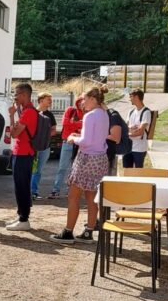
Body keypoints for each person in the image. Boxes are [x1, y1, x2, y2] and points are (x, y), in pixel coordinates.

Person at [50, 87, 109, 244]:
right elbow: (96, 138)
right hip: (100, 159)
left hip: (87, 159)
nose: (82, 103)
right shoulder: (104, 113)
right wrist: (79, 136)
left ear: (92, 98)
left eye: (84, 99)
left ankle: (68, 232)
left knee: (73, 196)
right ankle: (89, 232)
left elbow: (86, 142)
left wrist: (73, 139)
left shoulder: (90, 115)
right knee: (91, 197)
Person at [6, 83, 38, 230]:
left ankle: (24, 219)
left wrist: (12, 116)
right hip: (22, 152)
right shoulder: (26, 111)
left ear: (25, 95)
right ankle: (21, 216)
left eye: (17, 93)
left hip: (24, 153)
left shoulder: (29, 112)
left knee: (22, 187)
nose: (15, 96)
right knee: (20, 186)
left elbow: (13, 133)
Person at [50, 96, 83, 198]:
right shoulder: (70, 110)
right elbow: (65, 123)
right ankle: (56, 190)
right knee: (62, 168)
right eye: (80, 102)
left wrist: (73, 124)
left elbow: (83, 127)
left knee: (76, 169)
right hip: (67, 142)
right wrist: (79, 124)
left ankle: (71, 191)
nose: (82, 104)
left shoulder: (88, 113)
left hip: (80, 144)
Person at [30, 93, 58, 199]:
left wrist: (44, 135)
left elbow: (54, 131)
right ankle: (30, 191)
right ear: (41, 100)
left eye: (51, 99)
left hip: (45, 147)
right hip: (32, 147)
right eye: (48, 99)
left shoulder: (50, 115)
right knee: (31, 169)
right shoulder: (33, 113)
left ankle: (34, 191)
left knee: (38, 170)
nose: (51, 101)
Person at [124, 88, 153, 169]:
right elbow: (126, 127)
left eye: (131, 96)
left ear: (136, 97)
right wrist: (130, 129)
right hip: (128, 148)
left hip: (139, 149)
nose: (129, 99)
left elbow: (140, 132)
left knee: (138, 173)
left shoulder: (146, 112)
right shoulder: (131, 111)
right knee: (127, 172)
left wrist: (127, 134)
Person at [105, 91, 126, 176]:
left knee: (108, 183)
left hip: (110, 155)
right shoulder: (101, 115)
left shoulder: (113, 115)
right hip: (103, 154)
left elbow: (116, 138)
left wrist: (97, 135)